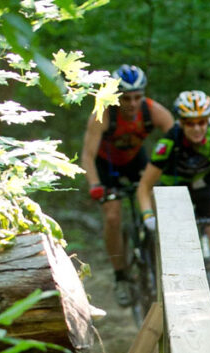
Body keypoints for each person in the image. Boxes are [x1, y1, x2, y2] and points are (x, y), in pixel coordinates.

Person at [136, 90, 210, 330]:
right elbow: (144, 187)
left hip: (206, 191)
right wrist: (148, 216)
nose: (197, 128)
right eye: (190, 123)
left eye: (202, 122)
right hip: (173, 193)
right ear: (181, 122)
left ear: (208, 120)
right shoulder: (168, 143)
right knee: (175, 257)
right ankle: (174, 307)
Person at [80, 64, 174, 306]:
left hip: (136, 160)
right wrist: (95, 185)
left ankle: (159, 257)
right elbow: (88, 156)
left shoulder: (153, 111)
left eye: (137, 97)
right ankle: (121, 276)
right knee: (112, 217)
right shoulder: (103, 114)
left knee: (153, 203)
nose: (132, 103)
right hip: (107, 165)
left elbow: (177, 139)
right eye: (126, 98)